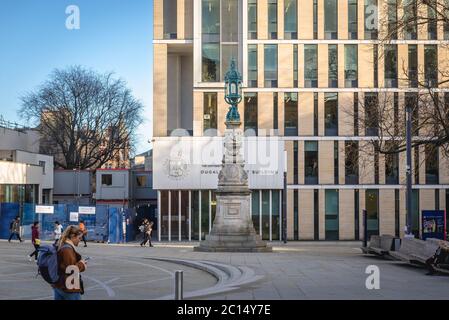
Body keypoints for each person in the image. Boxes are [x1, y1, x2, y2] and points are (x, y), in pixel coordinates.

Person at [52, 226, 88, 300]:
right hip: (69, 287)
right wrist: (82, 264)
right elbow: (71, 269)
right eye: (79, 238)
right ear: (72, 236)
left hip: (59, 285)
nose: (80, 241)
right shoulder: (67, 249)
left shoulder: (62, 245)